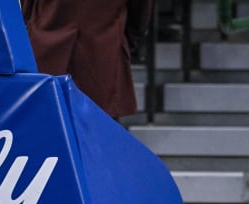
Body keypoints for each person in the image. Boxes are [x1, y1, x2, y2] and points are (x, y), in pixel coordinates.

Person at [21, 0, 153, 119]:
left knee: (44, 138)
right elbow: (140, 15)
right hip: (103, 59)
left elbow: (26, 10)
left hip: (46, 55)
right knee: (100, 140)